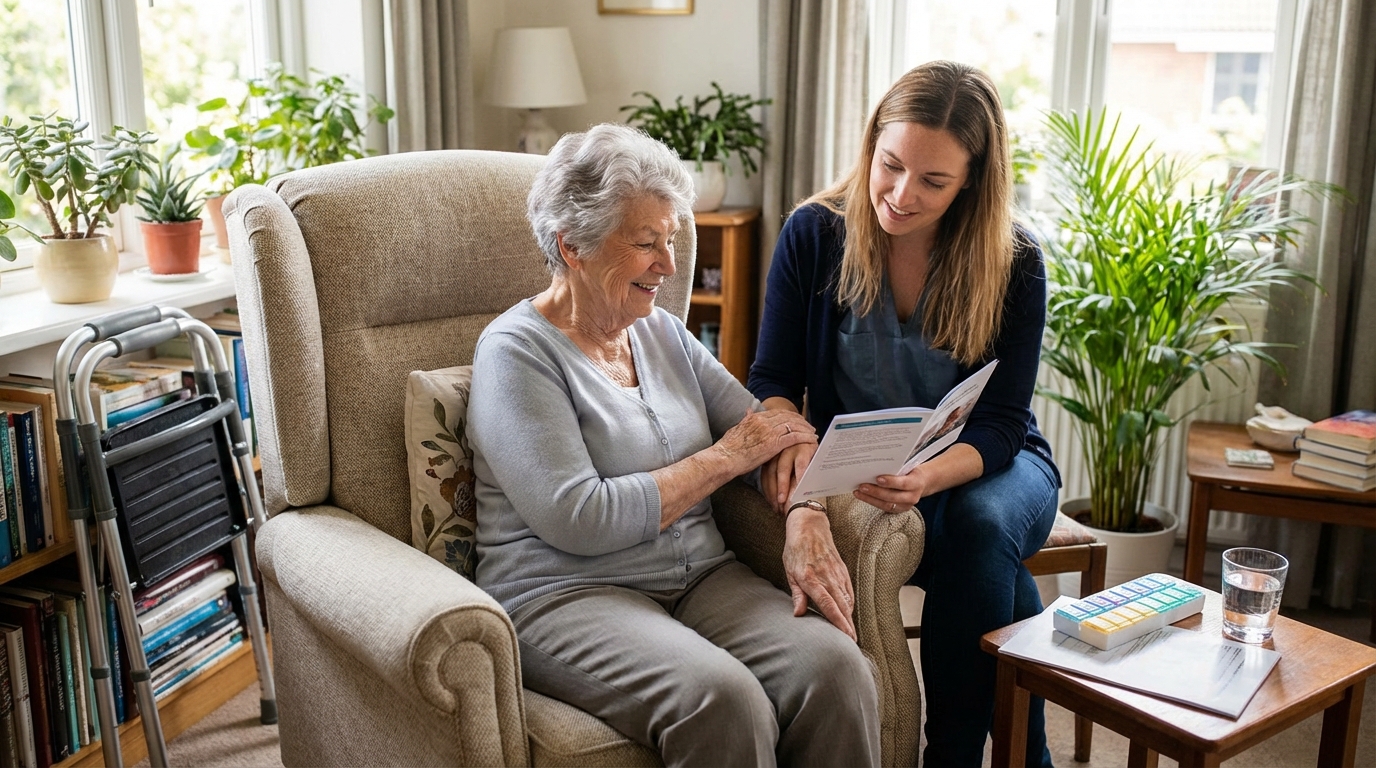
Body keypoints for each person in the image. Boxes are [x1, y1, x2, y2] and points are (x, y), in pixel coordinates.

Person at [468, 123, 881, 768]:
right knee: (722, 700)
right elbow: (579, 515)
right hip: (566, 595)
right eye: (646, 244)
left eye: (671, 240)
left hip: (701, 576)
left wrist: (806, 511)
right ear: (571, 246)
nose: (668, 265)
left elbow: (770, 430)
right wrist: (724, 457)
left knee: (836, 668)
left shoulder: (658, 330)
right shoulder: (515, 354)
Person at [748, 60, 1062, 767]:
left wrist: (925, 479)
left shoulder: (1015, 261)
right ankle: (1027, 755)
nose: (900, 193)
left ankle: (947, 755)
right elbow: (771, 380)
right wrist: (796, 452)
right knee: (998, 578)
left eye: (933, 181)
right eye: (889, 165)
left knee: (981, 527)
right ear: (871, 147)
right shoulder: (815, 234)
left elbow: (1003, 423)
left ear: (973, 182)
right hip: (869, 462)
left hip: (992, 462)